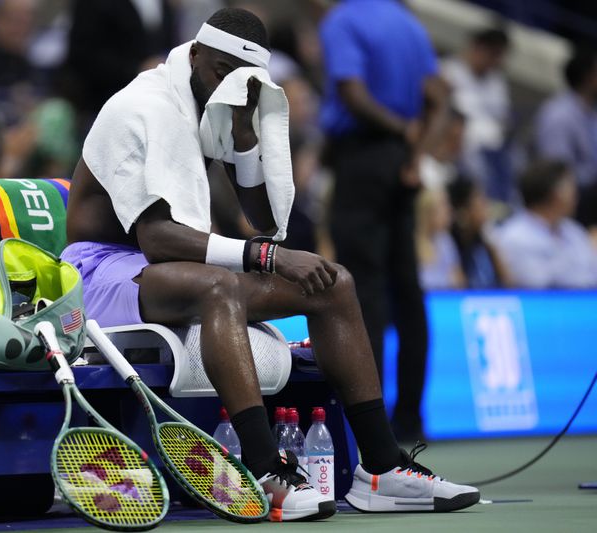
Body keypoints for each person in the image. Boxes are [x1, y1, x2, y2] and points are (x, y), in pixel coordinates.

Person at [63, 6, 479, 522]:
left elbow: (260, 220)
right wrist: (268, 256)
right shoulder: (142, 105)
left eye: (240, 82)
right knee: (221, 287)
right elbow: (159, 238)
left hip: (168, 269)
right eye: (219, 73)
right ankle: (262, 468)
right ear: (194, 56)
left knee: (334, 282)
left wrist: (243, 136)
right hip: (99, 270)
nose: (226, 88)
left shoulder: (214, 105)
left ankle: (381, 467)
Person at [319, 0, 448, 443]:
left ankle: (367, 423)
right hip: (400, 163)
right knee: (407, 290)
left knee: (363, 291)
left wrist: (397, 130)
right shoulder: (409, 23)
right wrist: (415, 152)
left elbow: (352, 93)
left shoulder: (344, 20)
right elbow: (438, 96)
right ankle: (410, 418)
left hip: (363, 158)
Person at [495, 160, 597, 288]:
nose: (576, 194)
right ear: (554, 193)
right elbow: (535, 283)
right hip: (541, 305)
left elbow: (592, 273)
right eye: (571, 187)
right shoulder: (514, 237)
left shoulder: (574, 231)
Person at [442, 27, 512, 202]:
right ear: (477, 48)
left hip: (491, 148)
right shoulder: (449, 72)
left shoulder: (497, 83)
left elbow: (504, 121)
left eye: (499, 56)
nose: (496, 61)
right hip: (459, 143)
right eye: (493, 54)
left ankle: (500, 202)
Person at [535, 47, 597, 235]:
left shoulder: (592, 114)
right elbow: (555, 173)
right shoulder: (558, 114)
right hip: (566, 195)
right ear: (589, 76)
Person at [448, 178, 509, 288]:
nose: (486, 206)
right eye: (480, 201)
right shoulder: (451, 244)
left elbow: (508, 284)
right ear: (463, 210)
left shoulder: (485, 240)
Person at [415, 187, 466, 290]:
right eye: (443, 205)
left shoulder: (446, 241)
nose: (449, 210)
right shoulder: (413, 244)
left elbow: (460, 282)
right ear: (428, 211)